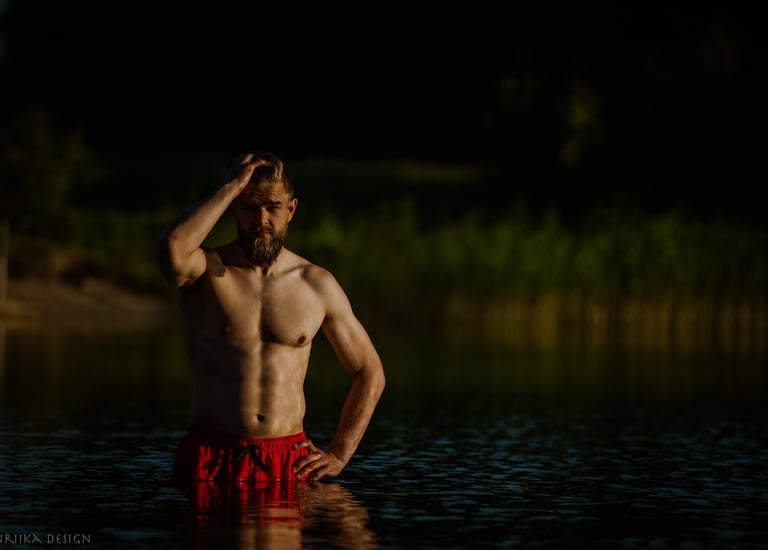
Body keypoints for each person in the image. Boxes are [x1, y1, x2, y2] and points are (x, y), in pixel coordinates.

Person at [156, 150, 385, 484]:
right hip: (212, 455)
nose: (261, 220)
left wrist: (339, 453)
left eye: (273, 207)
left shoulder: (316, 284)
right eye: (249, 207)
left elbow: (370, 371)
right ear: (234, 208)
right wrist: (230, 188)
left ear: (290, 210)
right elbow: (171, 251)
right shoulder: (206, 270)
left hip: (289, 459)